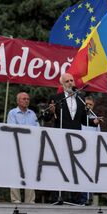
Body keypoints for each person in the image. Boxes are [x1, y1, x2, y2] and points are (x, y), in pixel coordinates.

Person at [43, 73, 89, 205]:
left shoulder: (80, 99)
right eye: (67, 81)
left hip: (76, 138)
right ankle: (57, 195)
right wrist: (50, 112)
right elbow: (46, 118)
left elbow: (84, 120)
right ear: (62, 84)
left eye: (72, 81)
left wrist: (95, 121)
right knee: (59, 166)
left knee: (75, 167)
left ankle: (76, 198)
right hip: (60, 138)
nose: (70, 83)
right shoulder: (56, 98)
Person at [6, 92, 38, 204]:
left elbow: (37, 130)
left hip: (29, 148)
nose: (26, 100)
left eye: (28, 99)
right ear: (18, 101)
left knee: (29, 174)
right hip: (16, 147)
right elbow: (12, 129)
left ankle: (30, 200)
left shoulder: (32, 114)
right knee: (15, 173)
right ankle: (16, 200)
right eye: (24, 99)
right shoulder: (12, 113)